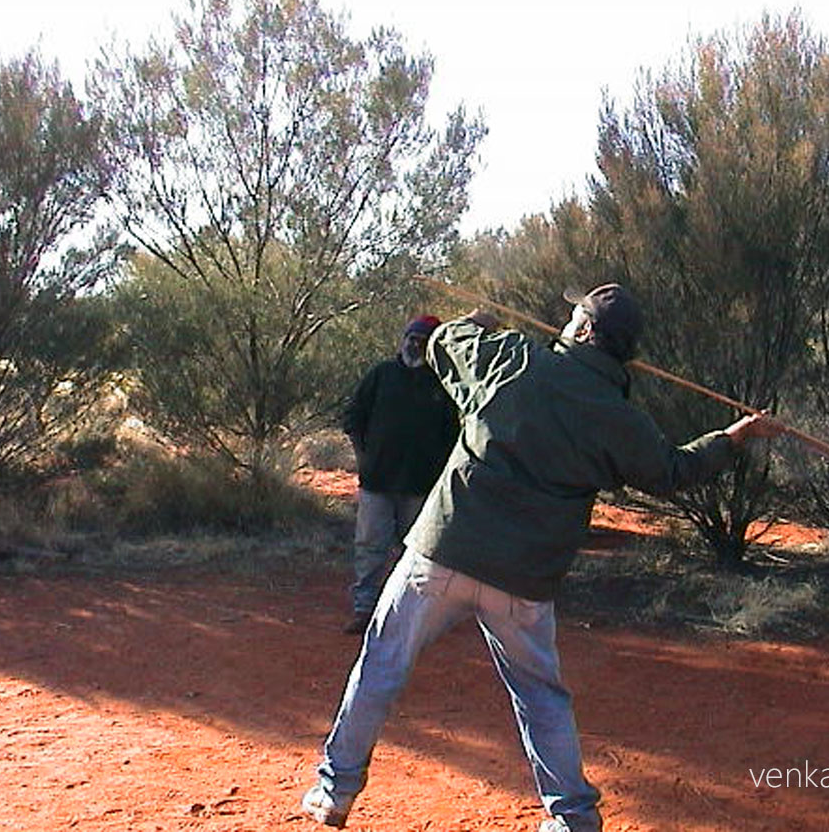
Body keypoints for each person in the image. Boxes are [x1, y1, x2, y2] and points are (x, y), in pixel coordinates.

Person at [303, 283, 782, 831]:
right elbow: (672, 472)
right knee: (539, 695)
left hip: (445, 549)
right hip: (525, 578)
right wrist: (734, 435)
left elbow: (442, 344)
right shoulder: (619, 419)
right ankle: (573, 817)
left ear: (582, 330)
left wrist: (474, 318)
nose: (566, 322)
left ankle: (334, 793)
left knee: (381, 666)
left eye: (573, 315)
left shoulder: (513, 358)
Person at [340, 314, 459, 635]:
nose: (415, 345)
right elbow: (353, 418)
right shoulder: (382, 374)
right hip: (377, 481)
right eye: (412, 338)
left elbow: (454, 438)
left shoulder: (444, 384)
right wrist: (363, 458)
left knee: (419, 554)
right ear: (402, 338)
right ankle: (365, 609)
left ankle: (411, 617)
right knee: (370, 545)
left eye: (423, 341)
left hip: (421, 486)